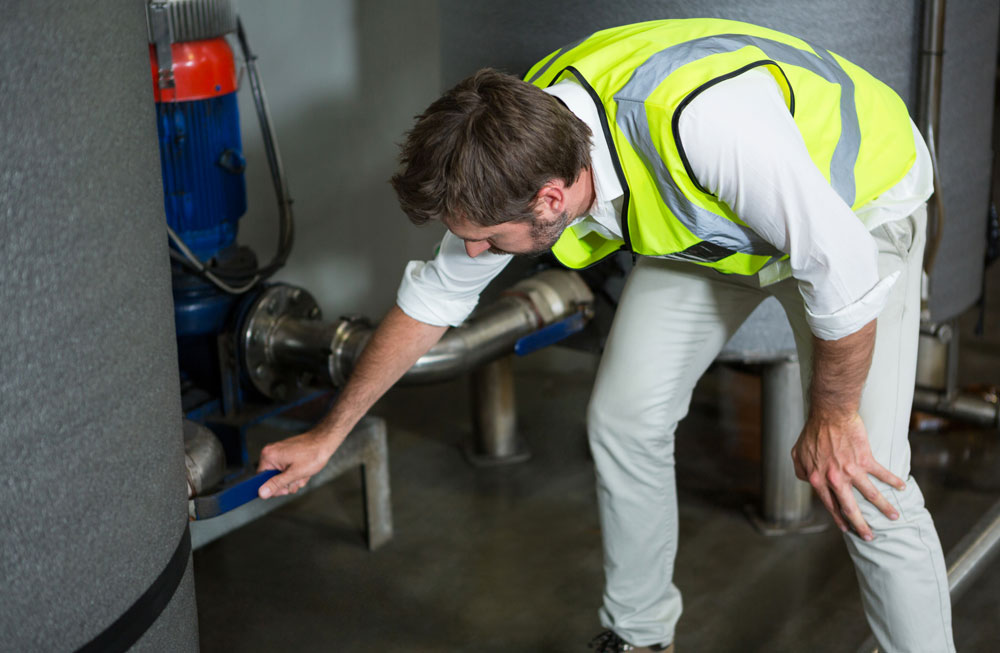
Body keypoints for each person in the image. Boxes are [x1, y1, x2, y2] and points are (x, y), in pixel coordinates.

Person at [256, 18, 954, 653]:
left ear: (551, 201)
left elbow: (844, 274)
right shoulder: (514, 151)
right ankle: (640, 636)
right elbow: (432, 299)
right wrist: (330, 431)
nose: (474, 253)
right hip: (727, 231)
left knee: (865, 479)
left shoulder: (705, 127)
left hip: (860, 210)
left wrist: (832, 417)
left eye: (485, 241)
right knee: (625, 414)